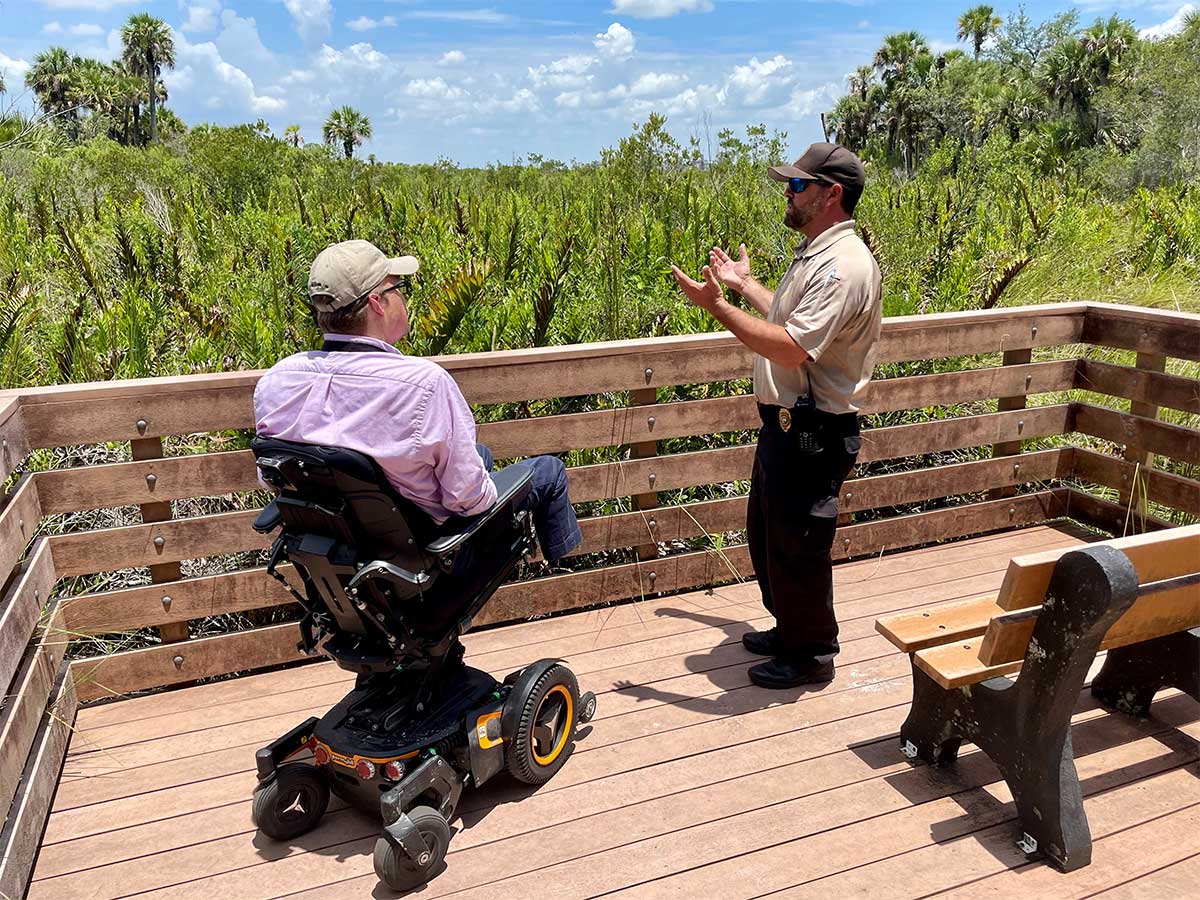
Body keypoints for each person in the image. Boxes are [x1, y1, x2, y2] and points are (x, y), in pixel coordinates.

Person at [670, 142, 882, 690]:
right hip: (787, 428)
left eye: (798, 185)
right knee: (770, 538)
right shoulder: (818, 254)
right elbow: (792, 320)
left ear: (831, 194)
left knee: (800, 546)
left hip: (815, 431)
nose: (788, 192)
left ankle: (811, 654)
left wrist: (718, 306)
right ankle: (791, 629)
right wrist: (744, 287)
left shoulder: (842, 266)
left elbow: (791, 347)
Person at [253, 239, 582, 579]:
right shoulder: (422, 384)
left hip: (346, 560)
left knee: (478, 455)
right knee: (549, 472)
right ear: (377, 303)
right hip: (427, 565)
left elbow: (273, 479)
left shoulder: (277, 381)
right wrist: (480, 487)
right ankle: (565, 583)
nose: (404, 298)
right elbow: (469, 501)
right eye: (398, 288)